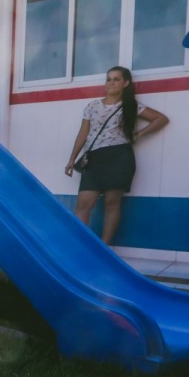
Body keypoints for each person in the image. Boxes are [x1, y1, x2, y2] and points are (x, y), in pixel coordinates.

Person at [64, 66, 169, 245]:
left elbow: (161, 119)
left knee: (112, 204)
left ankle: (105, 249)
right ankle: (79, 246)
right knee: (83, 204)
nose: (111, 83)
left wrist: (137, 135)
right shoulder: (92, 106)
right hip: (94, 158)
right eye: (108, 79)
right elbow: (83, 133)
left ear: (126, 83)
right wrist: (72, 158)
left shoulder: (131, 106)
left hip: (119, 157)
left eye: (116, 79)